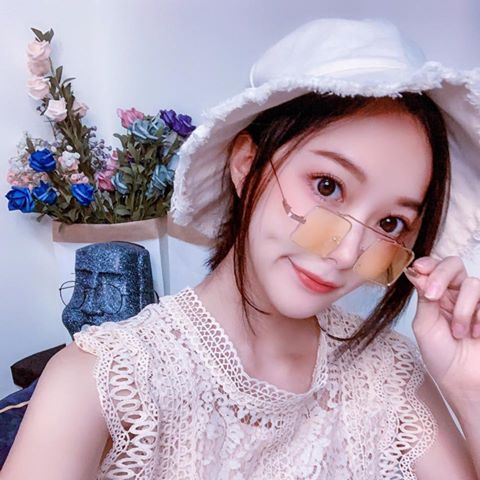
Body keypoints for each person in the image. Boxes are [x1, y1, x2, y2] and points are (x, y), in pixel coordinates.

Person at [2, 17, 480, 479]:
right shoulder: (103, 381)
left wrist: (468, 384)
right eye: (328, 186)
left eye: (391, 223)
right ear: (246, 165)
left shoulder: (390, 373)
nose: (346, 253)